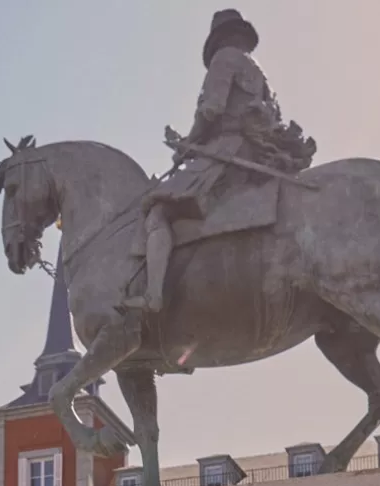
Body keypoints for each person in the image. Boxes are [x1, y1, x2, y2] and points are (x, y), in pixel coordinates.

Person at [122, 10, 314, 316]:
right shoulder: (258, 71)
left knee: (157, 210)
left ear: (219, 40)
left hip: (228, 153)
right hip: (254, 153)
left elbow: (212, 110)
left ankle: (153, 296)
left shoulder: (224, 59)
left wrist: (188, 144)